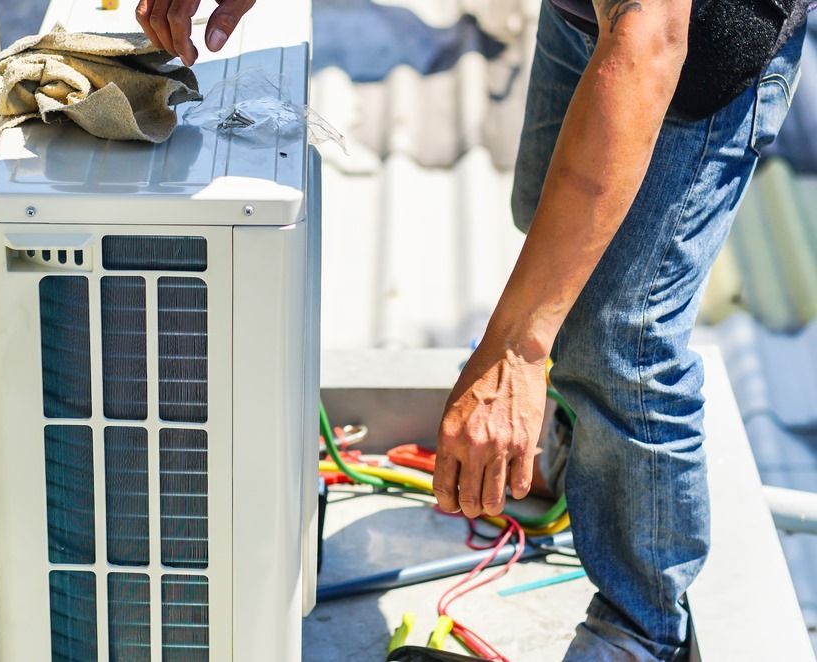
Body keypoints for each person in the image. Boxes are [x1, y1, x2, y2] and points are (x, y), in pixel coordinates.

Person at [135, 0, 809, 658]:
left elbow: (650, 42)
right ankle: (583, 463)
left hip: (691, 48)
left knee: (619, 339)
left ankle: (640, 627)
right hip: (588, 20)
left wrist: (514, 352)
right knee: (547, 228)